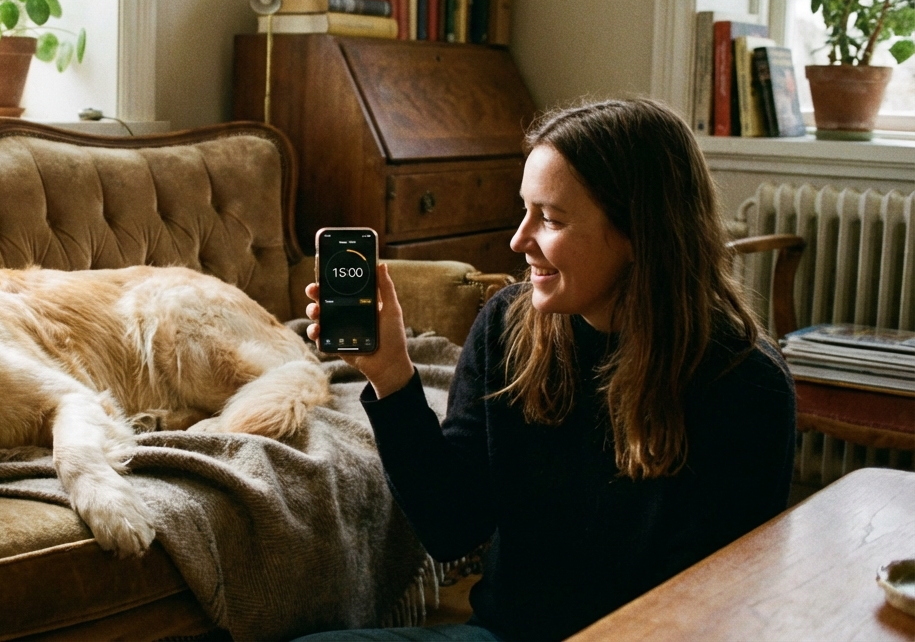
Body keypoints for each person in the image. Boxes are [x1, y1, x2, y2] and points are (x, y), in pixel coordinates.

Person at [300, 99, 796, 642]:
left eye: (551, 218)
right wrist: (391, 373)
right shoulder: (506, 327)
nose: (519, 240)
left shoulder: (745, 383)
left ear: (640, 233)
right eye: (525, 210)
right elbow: (451, 527)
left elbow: (709, 608)